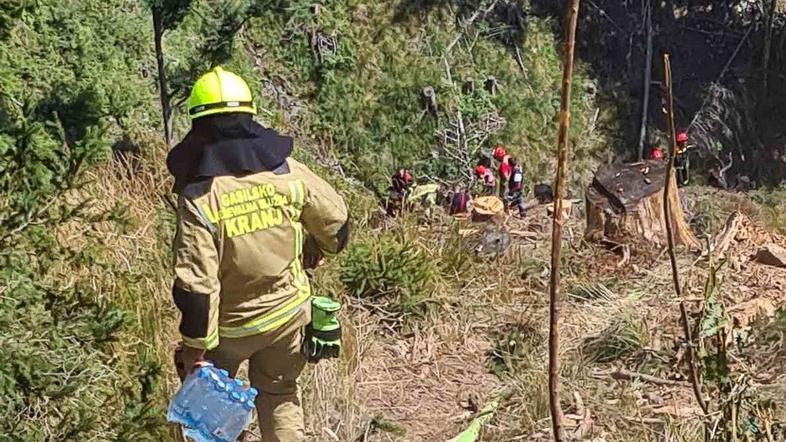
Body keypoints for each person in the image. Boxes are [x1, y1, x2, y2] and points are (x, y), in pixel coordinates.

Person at [167, 66, 349, 442]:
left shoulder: (201, 196)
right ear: (250, 117)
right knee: (280, 395)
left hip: (228, 333)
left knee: (207, 421)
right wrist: (315, 248)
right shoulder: (289, 173)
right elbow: (337, 226)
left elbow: (197, 287)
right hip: (287, 317)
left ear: (200, 126)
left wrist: (195, 351)